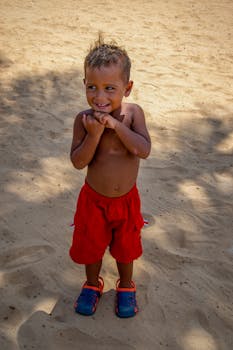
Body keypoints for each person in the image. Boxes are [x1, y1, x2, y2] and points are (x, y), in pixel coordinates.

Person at [69, 36, 151, 318]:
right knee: (90, 246)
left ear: (127, 88)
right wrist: (94, 135)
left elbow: (143, 150)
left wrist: (116, 126)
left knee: (126, 248)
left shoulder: (133, 114)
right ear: (84, 84)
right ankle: (92, 284)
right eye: (92, 87)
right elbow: (79, 162)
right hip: (93, 201)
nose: (100, 97)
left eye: (110, 88)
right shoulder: (84, 120)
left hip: (126, 203)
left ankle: (126, 286)